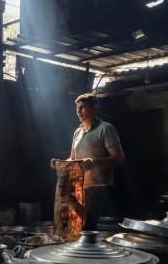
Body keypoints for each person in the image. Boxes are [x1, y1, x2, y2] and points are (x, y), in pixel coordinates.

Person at [51, 93, 125, 231]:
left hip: (98, 185)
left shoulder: (105, 129)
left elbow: (119, 158)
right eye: (77, 108)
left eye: (83, 107)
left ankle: (89, 252)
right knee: (76, 224)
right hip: (79, 186)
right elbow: (73, 159)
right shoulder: (77, 132)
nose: (79, 111)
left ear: (95, 109)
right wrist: (60, 163)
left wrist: (94, 163)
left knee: (88, 226)